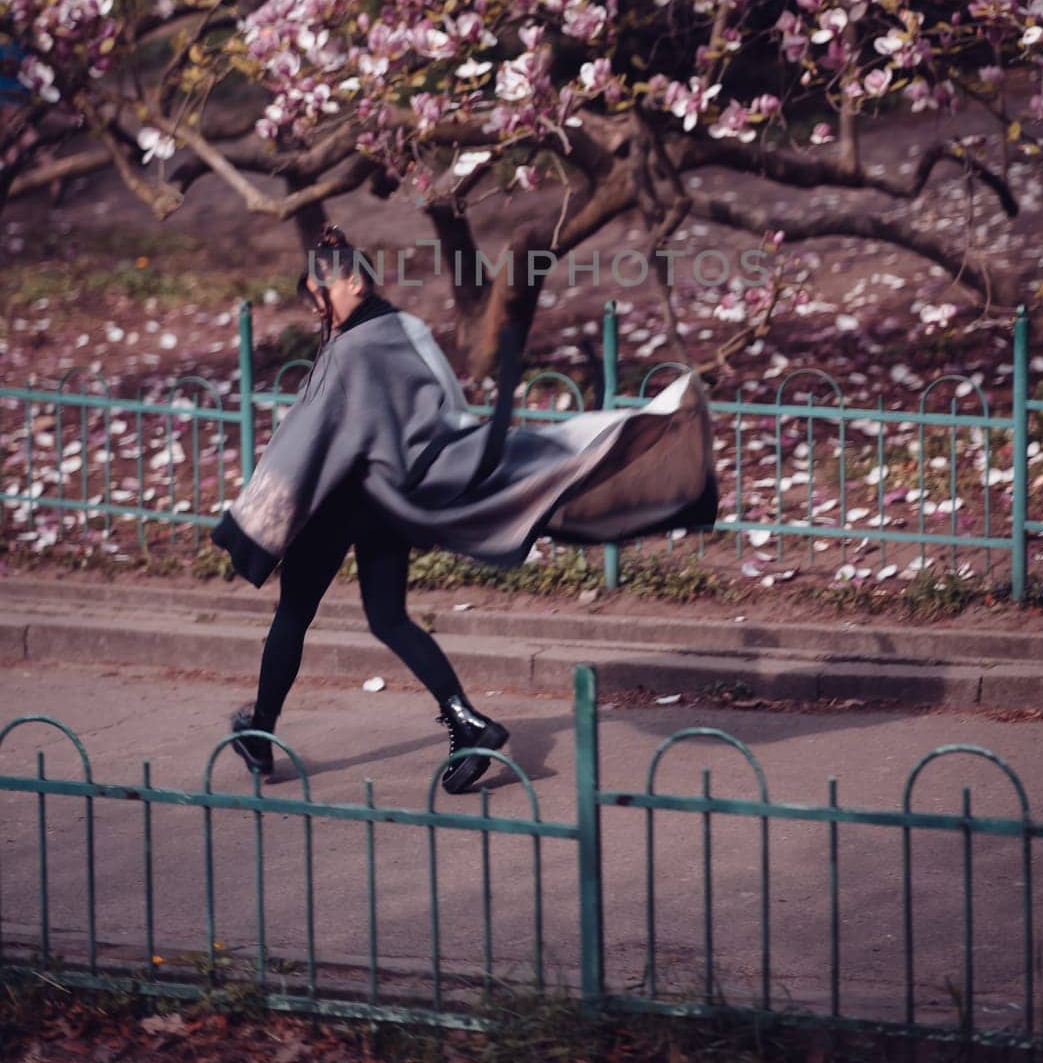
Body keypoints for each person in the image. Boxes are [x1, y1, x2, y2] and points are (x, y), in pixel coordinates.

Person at [212, 223, 718, 795]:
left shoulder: (351, 350)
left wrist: (250, 524)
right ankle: (465, 721)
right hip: (391, 502)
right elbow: (444, 412)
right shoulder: (408, 331)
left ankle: (260, 735)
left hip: (339, 503)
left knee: (293, 615)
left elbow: (306, 437)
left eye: (320, 293)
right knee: (388, 618)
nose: (317, 307)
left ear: (353, 280)